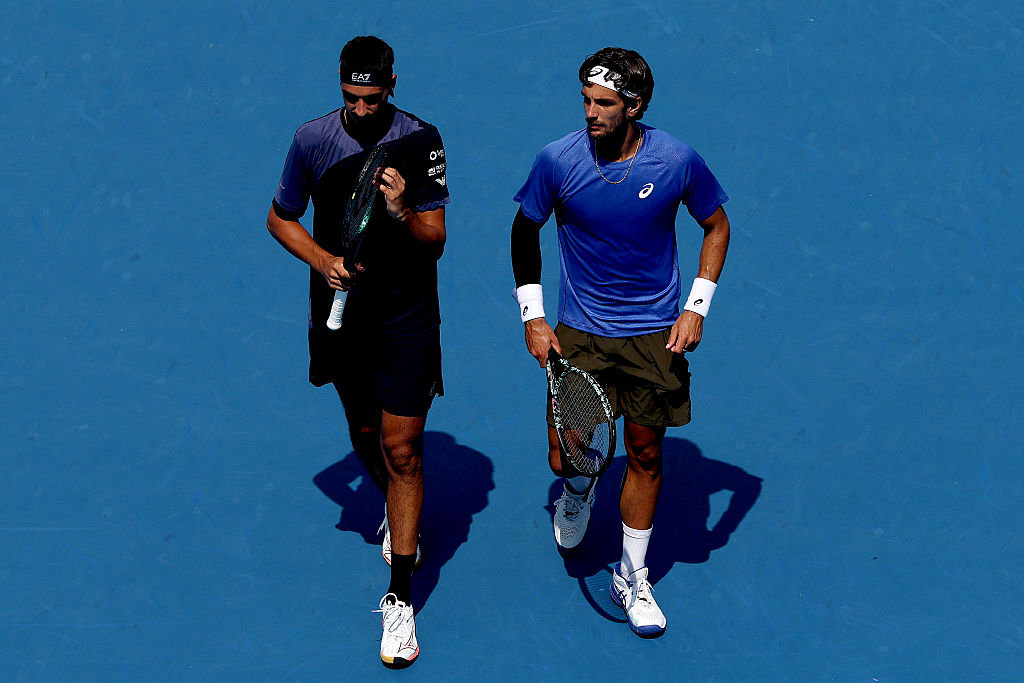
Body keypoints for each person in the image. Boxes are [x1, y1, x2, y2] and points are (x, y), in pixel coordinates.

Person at [510, 47, 730, 638]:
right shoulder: (557, 161)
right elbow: (524, 231)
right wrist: (533, 317)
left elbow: (716, 224)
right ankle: (579, 489)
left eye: (604, 103)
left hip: (655, 336)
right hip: (580, 335)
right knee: (568, 456)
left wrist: (696, 308)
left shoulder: (676, 160)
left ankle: (632, 575)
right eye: (586, 100)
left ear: (634, 106)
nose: (590, 112)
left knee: (646, 454)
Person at [267, 35, 449, 669]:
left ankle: (399, 597)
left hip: (405, 316)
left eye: (372, 98)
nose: (362, 109)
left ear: (392, 86)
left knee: (403, 450)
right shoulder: (312, 140)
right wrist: (323, 260)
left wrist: (401, 209)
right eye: (351, 98)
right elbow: (280, 218)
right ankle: (397, 508)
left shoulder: (421, 140)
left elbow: (435, 240)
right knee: (366, 432)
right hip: (341, 313)